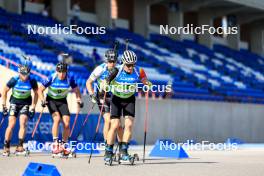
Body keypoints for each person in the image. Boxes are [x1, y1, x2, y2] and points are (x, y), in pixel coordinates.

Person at [104, 50, 152, 162]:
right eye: (129, 65)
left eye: (133, 64)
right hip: (116, 99)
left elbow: (145, 80)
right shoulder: (116, 70)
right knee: (115, 125)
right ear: (123, 63)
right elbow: (106, 80)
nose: (131, 67)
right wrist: (105, 85)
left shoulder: (139, 70)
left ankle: (124, 151)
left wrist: (149, 85)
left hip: (129, 99)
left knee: (129, 125)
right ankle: (108, 152)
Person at [38, 62, 83, 156]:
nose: (62, 74)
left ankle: (63, 145)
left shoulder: (69, 78)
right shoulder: (52, 77)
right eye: (60, 72)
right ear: (56, 71)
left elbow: (76, 90)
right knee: (57, 119)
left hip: (62, 101)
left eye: (64, 72)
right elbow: (40, 89)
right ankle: (55, 144)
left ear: (66, 72)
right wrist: (42, 100)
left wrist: (78, 99)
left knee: (66, 123)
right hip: (51, 100)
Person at [86, 49, 123, 148]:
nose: (112, 64)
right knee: (108, 120)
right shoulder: (100, 69)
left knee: (118, 125)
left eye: (114, 61)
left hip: (116, 96)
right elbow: (88, 82)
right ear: (106, 60)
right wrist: (91, 94)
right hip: (103, 96)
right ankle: (107, 146)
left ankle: (122, 147)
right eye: (110, 61)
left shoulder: (119, 68)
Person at [2, 59, 38, 156]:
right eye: (23, 75)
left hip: (25, 103)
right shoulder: (14, 79)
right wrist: (4, 106)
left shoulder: (32, 80)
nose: (25, 77)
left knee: (23, 123)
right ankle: (6, 147)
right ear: (20, 73)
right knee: (11, 124)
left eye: (27, 75)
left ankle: (20, 147)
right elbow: (4, 91)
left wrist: (33, 107)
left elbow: (36, 93)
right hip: (14, 103)